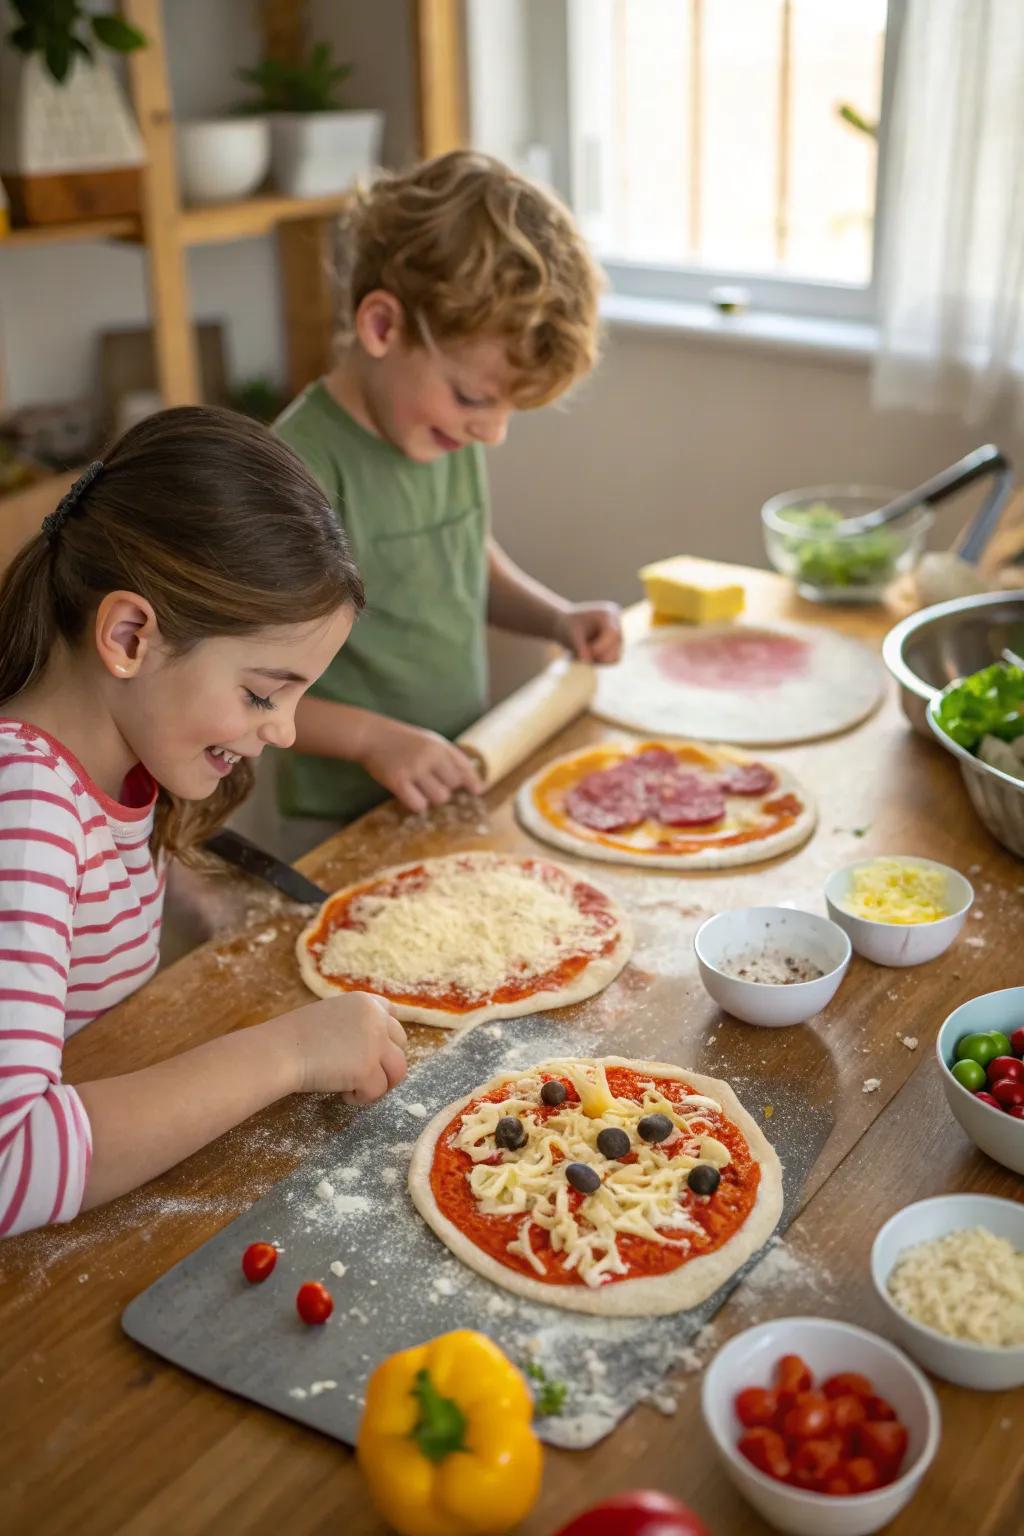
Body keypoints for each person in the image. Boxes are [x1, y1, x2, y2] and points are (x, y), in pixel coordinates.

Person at [0, 407, 406, 1239]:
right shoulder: (25, 808)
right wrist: (289, 1055)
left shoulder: (110, 760)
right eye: (262, 693)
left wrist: (205, 910)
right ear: (128, 635)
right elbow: (11, 1165)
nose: (285, 731)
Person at [275, 149, 622, 837]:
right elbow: (247, 687)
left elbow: (463, 563)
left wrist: (555, 618)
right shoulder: (297, 472)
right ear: (382, 327)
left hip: (456, 776)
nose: (492, 433)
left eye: (507, 411)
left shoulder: (435, 431)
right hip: (345, 818)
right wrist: (376, 740)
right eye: (472, 398)